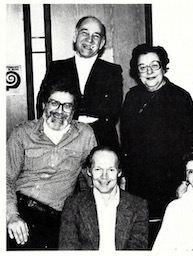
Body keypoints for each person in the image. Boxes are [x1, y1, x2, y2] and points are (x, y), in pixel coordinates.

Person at [6, 77, 97, 250]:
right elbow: (6, 177)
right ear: (44, 105)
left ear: (74, 111)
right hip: (19, 209)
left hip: (55, 219)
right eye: (54, 103)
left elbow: (91, 179)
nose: (60, 111)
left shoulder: (85, 135)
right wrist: (11, 215)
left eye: (67, 106)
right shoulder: (22, 132)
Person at [120, 44, 193, 244]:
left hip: (171, 182)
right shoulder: (132, 97)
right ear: (136, 72)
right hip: (139, 182)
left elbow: (190, 146)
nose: (149, 71)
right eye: (142, 67)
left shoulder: (181, 98)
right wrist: (124, 175)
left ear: (164, 68)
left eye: (155, 65)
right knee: (141, 236)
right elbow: (126, 141)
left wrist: (185, 182)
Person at [37, 16, 123, 149]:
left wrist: (68, 105)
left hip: (101, 138)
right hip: (62, 134)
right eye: (84, 33)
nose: (89, 40)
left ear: (102, 43)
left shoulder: (112, 71)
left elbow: (113, 110)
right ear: (75, 36)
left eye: (96, 36)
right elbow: (42, 102)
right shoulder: (57, 68)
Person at [59, 146, 149, 250]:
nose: (104, 176)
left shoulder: (138, 206)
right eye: (98, 169)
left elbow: (137, 250)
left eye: (111, 169)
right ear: (89, 171)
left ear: (119, 172)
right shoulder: (73, 205)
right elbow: (68, 249)